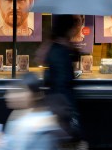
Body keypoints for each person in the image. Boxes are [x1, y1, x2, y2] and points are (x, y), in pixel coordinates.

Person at [0, 72, 65, 150]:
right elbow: (13, 143)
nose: (8, 96)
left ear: (35, 95)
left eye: (19, 92)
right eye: (9, 92)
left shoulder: (39, 122)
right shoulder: (19, 115)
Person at [35, 14, 87, 147]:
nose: (77, 30)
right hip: (62, 100)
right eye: (75, 27)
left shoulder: (54, 45)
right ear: (68, 28)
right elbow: (64, 79)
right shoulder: (62, 50)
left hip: (55, 98)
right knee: (69, 140)